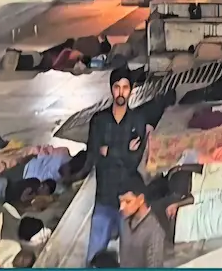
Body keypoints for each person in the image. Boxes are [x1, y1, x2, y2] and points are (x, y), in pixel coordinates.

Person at [72, 68, 149, 260]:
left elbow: (134, 160)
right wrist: (124, 150)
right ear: (111, 89)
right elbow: (94, 154)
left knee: (128, 256)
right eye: (117, 87)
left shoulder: (137, 121)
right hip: (104, 195)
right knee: (94, 253)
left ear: (131, 90)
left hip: (127, 199)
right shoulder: (99, 121)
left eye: (125, 87)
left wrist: (111, 151)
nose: (121, 92)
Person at [116, 179, 168, 268]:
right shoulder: (125, 223)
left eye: (128, 202)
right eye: (121, 202)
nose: (122, 207)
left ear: (141, 199)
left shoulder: (154, 230)